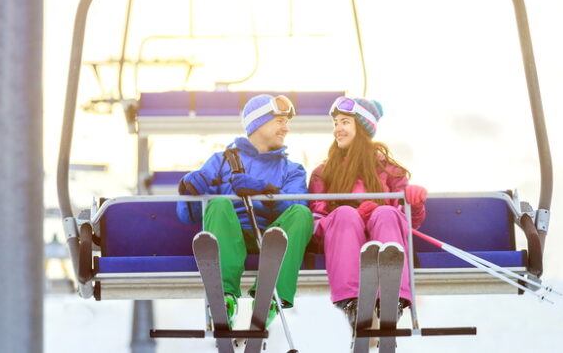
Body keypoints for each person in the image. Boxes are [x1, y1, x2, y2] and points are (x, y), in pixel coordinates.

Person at [176, 94, 314, 328]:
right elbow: (188, 215)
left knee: (302, 216)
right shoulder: (221, 162)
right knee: (219, 204)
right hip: (229, 236)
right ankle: (224, 297)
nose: (286, 129)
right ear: (259, 122)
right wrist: (190, 192)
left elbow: (296, 207)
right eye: (280, 121)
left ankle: (270, 295)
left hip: (270, 238)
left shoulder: (292, 170)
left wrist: (265, 193)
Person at [308, 96, 427, 325]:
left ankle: (392, 298)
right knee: (345, 214)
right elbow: (316, 222)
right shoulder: (323, 173)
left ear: (361, 127)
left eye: (344, 122)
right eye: (335, 124)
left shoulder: (390, 171)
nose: (337, 130)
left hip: (382, 233)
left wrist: (415, 203)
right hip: (343, 238)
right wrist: (351, 215)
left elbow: (407, 221)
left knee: (386, 213)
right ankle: (352, 300)